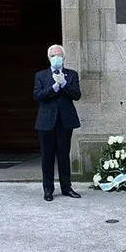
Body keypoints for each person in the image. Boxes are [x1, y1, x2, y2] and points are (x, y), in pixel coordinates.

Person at [34, 44, 81, 201]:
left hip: (64, 121)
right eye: (53, 56)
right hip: (46, 122)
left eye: (59, 55)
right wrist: (54, 87)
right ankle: (48, 189)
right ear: (49, 58)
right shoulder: (41, 76)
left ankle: (66, 187)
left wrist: (64, 84)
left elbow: (76, 95)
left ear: (64, 58)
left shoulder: (71, 75)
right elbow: (38, 95)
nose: (56, 58)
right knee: (47, 157)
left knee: (63, 156)